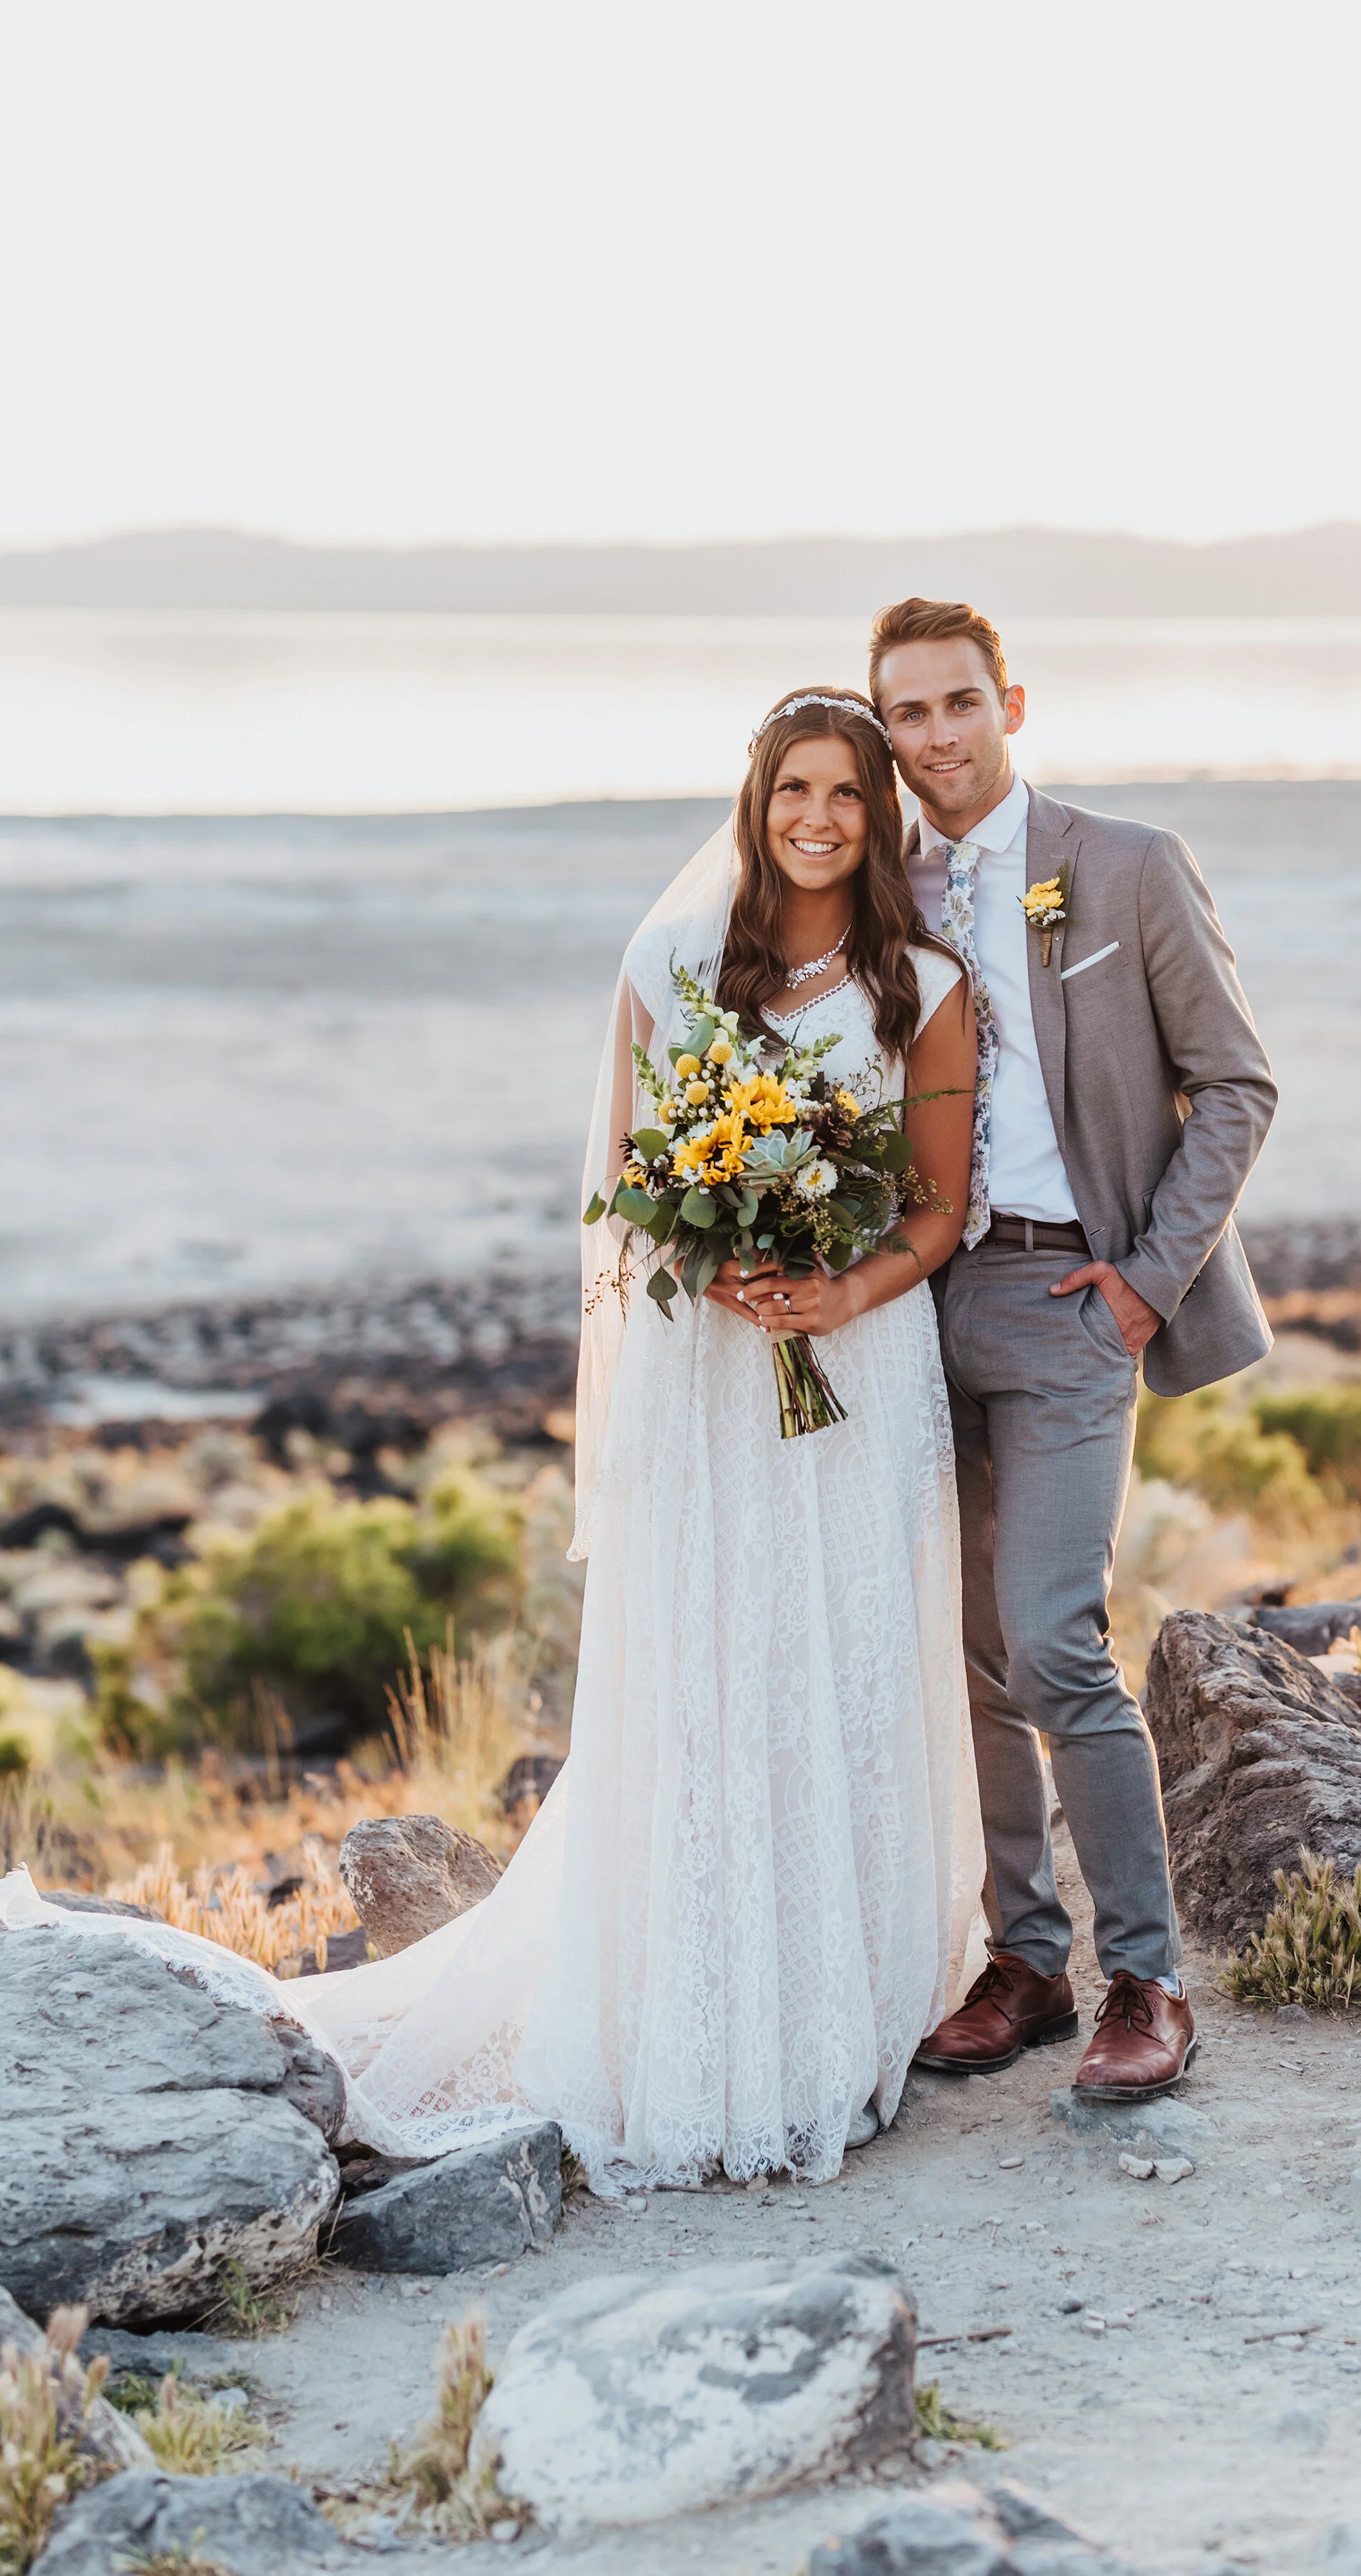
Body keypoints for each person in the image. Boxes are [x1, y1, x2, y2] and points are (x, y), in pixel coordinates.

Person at [0, 688, 985, 2196]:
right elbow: (636, 1187)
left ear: (880, 811)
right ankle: (695, 2022)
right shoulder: (669, 966)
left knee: (839, 1675)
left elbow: (932, 1206)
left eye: (849, 793)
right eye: (796, 788)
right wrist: (710, 1263)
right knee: (715, 1682)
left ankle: (836, 2017)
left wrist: (841, 1282)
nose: (820, 819)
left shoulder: (921, 981)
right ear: (756, 799)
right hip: (716, 1380)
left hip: (859, 1381)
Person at [870, 596, 1277, 2104]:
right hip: (921, 1308)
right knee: (970, 1653)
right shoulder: (883, 894)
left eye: (957, 705)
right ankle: (1028, 1961)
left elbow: (1237, 1086)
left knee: (1051, 1638)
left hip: (1070, 1306)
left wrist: (1142, 1288)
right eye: (905, 715)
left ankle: (1149, 1981)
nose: (934, 740)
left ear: (1011, 705)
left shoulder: (1127, 867)